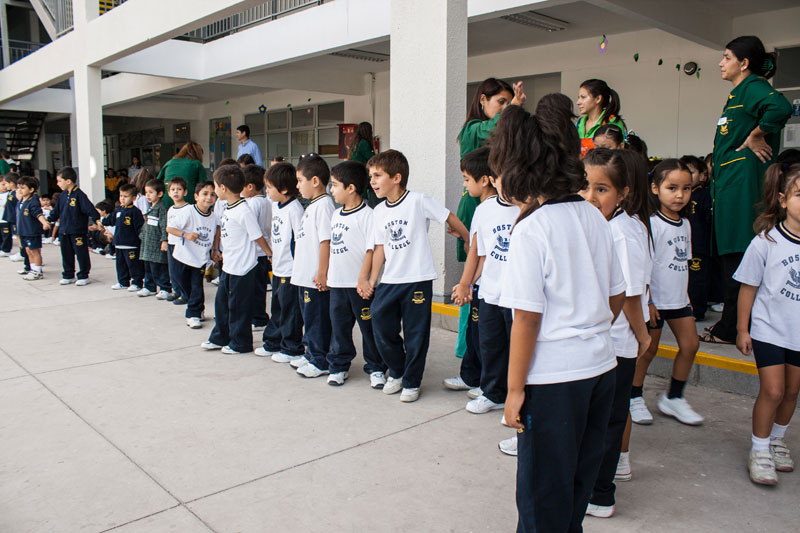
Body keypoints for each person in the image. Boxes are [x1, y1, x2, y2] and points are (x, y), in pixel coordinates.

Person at [494, 105, 625, 532]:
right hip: (601, 368)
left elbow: (526, 320)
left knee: (542, 493)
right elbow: (616, 294)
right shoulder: (592, 214)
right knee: (577, 483)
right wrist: (590, 329)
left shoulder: (533, 230)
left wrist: (514, 390)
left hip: (553, 381)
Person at [704, 35, 792, 344]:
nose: (721, 63)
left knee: (738, 253)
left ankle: (732, 328)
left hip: (742, 186)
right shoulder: (739, 93)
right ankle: (732, 324)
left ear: (744, 63)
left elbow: (780, 107)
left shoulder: (753, 87)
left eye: (726, 57)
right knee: (733, 252)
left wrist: (757, 133)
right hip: (731, 183)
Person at [363, 149, 469, 403]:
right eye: (370, 176)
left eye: (378, 175)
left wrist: (467, 238)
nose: (373, 181)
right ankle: (397, 371)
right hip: (390, 280)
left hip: (417, 279)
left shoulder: (419, 201)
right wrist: (371, 279)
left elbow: (449, 217)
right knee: (378, 321)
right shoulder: (378, 212)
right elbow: (380, 248)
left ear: (397, 177)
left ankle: (411, 381)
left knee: (416, 334)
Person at [581, 148, 653, 518]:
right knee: (605, 418)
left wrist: (642, 336)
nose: (591, 197)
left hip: (616, 344)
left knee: (608, 422)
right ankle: (607, 477)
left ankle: (600, 493)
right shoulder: (606, 225)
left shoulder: (622, 234)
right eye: (586, 187)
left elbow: (628, 294)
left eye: (602, 189)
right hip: (604, 343)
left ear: (623, 192)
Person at [734, 161, 800, 485]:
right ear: (784, 199)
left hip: (798, 333)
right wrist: (742, 329)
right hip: (769, 329)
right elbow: (748, 287)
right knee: (772, 391)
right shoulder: (766, 241)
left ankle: (777, 441)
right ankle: (759, 449)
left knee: (791, 392)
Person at [456, 77, 526, 363]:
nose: (505, 108)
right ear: (482, 100)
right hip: (476, 207)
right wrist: (515, 109)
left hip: (496, 202)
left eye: (508, 103)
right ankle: (467, 352)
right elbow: (495, 126)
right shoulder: (473, 129)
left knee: (485, 277)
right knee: (471, 282)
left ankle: (477, 357)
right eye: (500, 102)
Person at [631, 160, 703, 426]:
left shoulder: (685, 224)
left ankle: (674, 398)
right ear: (655, 188)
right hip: (655, 302)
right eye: (672, 188)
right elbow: (644, 266)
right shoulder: (650, 224)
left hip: (678, 301)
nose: (680, 195)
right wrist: (647, 300)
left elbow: (681, 264)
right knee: (648, 350)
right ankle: (634, 397)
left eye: (686, 188)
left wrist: (687, 299)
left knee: (691, 345)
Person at [451, 146, 520, 415]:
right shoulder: (486, 209)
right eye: (504, 175)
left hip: (517, 294)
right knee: (490, 344)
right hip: (490, 292)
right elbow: (477, 252)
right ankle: (493, 393)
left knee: (516, 348)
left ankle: (516, 393)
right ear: (494, 178)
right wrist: (466, 283)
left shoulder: (528, 209)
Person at [324, 160, 386, 387]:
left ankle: (376, 367)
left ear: (351, 188)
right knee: (339, 327)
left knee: (369, 328)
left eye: (335, 185)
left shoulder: (368, 215)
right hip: (338, 284)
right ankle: (339, 365)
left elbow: (372, 249)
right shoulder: (336, 215)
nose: (331, 190)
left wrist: (367, 280)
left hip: (360, 287)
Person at [201, 165, 271, 355]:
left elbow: (257, 236)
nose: (214, 191)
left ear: (223, 188)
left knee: (238, 307)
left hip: (243, 268)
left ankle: (241, 343)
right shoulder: (229, 208)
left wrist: (269, 254)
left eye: (215, 187)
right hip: (229, 265)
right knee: (222, 304)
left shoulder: (243, 210)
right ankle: (220, 336)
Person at [445, 146, 493, 405]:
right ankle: (471, 377)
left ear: (484, 180)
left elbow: (484, 255)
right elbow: (474, 248)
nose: (464, 185)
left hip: (487, 286)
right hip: (479, 286)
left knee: (487, 338)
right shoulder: (481, 208)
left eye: (466, 179)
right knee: (474, 334)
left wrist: (468, 282)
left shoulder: (492, 208)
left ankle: (489, 384)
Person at [288, 154, 336, 379]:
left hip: (315, 278)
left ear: (315, 181)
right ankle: (310, 353)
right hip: (304, 276)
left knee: (317, 320)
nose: (297, 186)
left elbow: (325, 241)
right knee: (309, 318)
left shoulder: (324, 205)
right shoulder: (312, 205)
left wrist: (322, 273)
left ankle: (320, 359)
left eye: (299, 180)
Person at [255, 163, 306, 362]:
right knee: (277, 307)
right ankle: (273, 341)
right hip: (278, 267)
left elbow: (298, 241)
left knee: (290, 310)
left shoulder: (294, 209)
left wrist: (296, 267)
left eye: (269, 187)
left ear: (283, 189)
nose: (266, 191)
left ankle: (292, 347)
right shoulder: (276, 206)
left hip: (290, 270)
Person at [168, 180, 221, 329]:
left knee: (197, 286)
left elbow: (217, 232)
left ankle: (193, 314)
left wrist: (215, 249)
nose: (209, 197)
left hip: (200, 259)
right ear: (196, 196)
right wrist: (185, 235)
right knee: (184, 285)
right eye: (205, 194)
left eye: (212, 194)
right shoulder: (188, 211)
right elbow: (170, 228)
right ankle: (197, 307)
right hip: (182, 256)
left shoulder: (213, 216)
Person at [48, 167, 101, 286]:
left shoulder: (79, 195)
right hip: (64, 231)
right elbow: (56, 211)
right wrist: (48, 221)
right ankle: (68, 274)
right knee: (66, 254)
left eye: (59, 181)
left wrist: (97, 219)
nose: (57, 184)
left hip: (77, 231)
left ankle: (83, 275)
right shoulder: (62, 196)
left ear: (68, 181)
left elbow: (90, 209)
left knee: (81, 253)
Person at [681, 155, 713, 320]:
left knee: (697, 280)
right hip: (681, 247)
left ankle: (697, 310)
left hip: (698, 246)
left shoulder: (703, 195)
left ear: (702, 176)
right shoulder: (680, 195)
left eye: (691, 172)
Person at [240, 164, 272, 331]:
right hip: (263, 252)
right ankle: (259, 317)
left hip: (255, 252)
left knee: (254, 289)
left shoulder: (252, 204)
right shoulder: (267, 202)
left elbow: (249, 229)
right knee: (259, 287)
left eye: (242, 187)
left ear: (250, 187)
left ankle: (258, 318)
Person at [101, 183, 145, 291]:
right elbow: (110, 220)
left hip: (131, 245)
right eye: (121, 196)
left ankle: (137, 282)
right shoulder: (119, 210)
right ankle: (123, 282)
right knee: (121, 265)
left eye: (126, 196)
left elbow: (139, 228)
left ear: (133, 198)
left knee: (133, 265)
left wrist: (140, 241)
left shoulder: (135, 212)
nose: (122, 199)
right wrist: (102, 220)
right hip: (119, 244)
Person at [137, 179, 171, 299]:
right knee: (148, 267)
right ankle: (149, 287)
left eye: (151, 192)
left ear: (160, 194)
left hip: (157, 244)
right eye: (146, 192)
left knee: (159, 267)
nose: (148, 195)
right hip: (147, 244)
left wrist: (164, 240)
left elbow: (163, 225)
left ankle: (164, 288)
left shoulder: (161, 209)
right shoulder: (151, 208)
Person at [577, 79, 626, 157]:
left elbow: (619, 156)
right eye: (578, 97)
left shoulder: (612, 121)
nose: (578, 102)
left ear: (598, 99)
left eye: (583, 97)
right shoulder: (579, 123)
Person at [16, 176, 51, 281]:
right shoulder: (22, 200)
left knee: (34, 251)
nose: (19, 190)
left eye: (23, 188)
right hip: (23, 231)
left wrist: (44, 223)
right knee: (28, 251)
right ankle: (33, 269)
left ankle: (38, 271)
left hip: (32, 231)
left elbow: (38, 214)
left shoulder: (33, 202)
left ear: (31, 190)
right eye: (18, 187)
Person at [157, 141, 207, 208]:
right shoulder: (196, 164)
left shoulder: (169, 162)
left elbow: (157, 182)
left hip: (168, 199)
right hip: (188, 199)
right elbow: (203, 186)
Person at [165, 177, 190, 303]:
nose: (176, 192)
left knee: (181, 271)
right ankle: (177, 291)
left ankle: (185, 295)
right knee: (173, 271)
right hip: (171, 242)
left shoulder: (188, 209)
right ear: (168, 193)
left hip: (182, 244)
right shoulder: (171, 209)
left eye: (179, 189)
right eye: (173, 189)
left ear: (185, 192)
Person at [347, 122, 377, 206]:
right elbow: (373, 159)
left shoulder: (355, 143)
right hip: (361, 174)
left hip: (354, 174)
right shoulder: (364, 143)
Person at [0, 174, 15, 256]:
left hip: (5, 218)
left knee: (6, 234)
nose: (5, 186)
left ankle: (6, 249)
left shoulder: (9, 194)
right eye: (2, 184)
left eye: (5, 184)